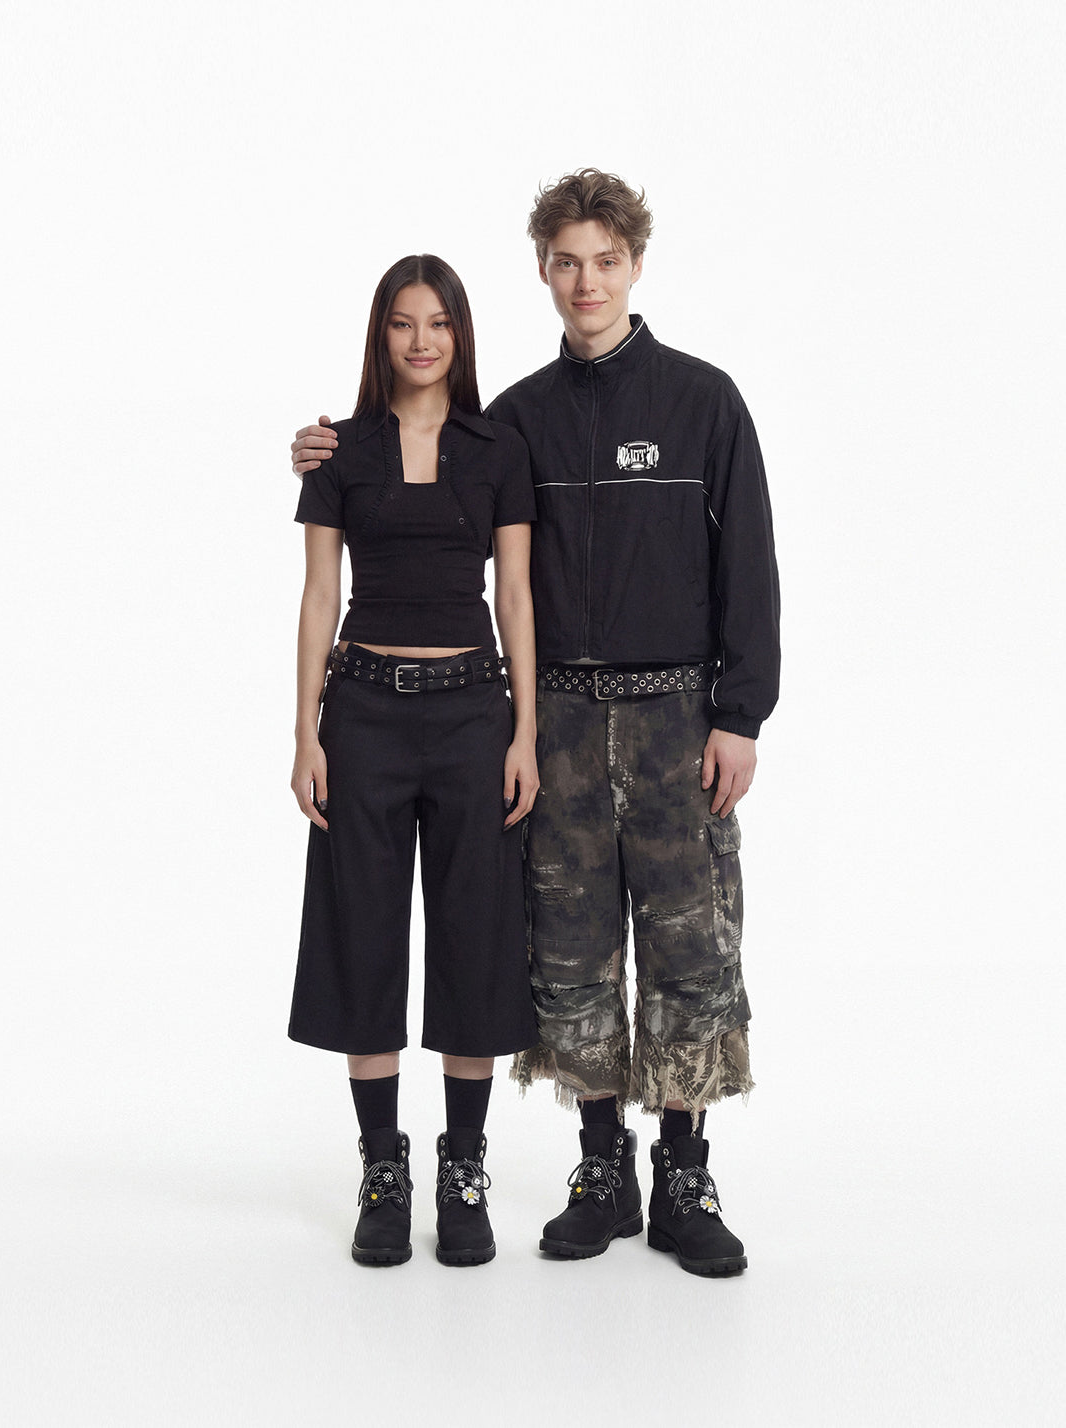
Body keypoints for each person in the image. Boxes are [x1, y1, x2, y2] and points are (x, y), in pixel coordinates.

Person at [292, 170, 780, 1277]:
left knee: (689, 946)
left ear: (636, 265)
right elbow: (421, 486)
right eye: (566, 262)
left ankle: (685, 1173)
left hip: (676, 720)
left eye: (605, 261)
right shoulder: (513, 423)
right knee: (568, 947)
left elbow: (748, 562)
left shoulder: (704, 402)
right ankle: (601, 1167)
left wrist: (739, 712)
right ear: (543, 272)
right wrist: (323, 453)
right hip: (551, 716)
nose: (586, 281)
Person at [289, 254, 539, 1269]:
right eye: (403, 322)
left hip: (475, 713)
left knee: (475, 930)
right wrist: (304, 731)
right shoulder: (339, 450)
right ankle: (382, 1168)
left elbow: (515, 594)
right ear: (380, 334)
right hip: (362, 712)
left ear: (460, 334)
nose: (422, 340)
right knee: (364, 927)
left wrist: (525, 731)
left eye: (439, 323)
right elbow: (319, 594)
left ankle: (463, 1167)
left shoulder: (498, 447)